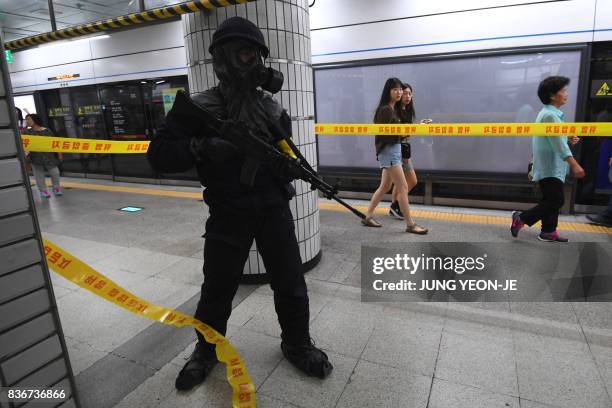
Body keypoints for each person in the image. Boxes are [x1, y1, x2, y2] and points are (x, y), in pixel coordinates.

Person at [146, 17, 333, 391]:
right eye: (242, 53)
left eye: (253, 54)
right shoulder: (198, 107)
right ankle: (206, 351)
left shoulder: (273, 111)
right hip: (228, 212)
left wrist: (287, 171)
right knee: (217, 289)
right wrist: (201, 148)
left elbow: (283, 154)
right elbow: (159, 155)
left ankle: (297, 343)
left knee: (291, 283)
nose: (248, 62)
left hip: (273, 209)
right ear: (222, 58)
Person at [510, 76, 584, 242]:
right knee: (557, 200)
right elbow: (558, 145)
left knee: (550, 199)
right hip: (549, 166)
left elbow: (555, 137)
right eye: (563, 91)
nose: (566, 94)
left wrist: (567, 136)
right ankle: (521, 218)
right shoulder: (550, 115)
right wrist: (574, 164)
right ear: (552, 95)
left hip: (550, 165)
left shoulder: (550, 114)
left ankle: (548, 231)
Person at [360, 78, 427, 234]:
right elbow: (388, 135)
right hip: (390, 152)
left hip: (392, 151)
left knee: (385, 187)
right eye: (395, 90)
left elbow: (395, 134)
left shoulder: (391, 109)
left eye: (400, 90)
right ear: (388, 91)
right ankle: (410, 225)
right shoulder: (386, 110)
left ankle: (367, 216)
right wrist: (416, 129)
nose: (399, 93)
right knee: (403, 187)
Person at [388, 83, 432, 220]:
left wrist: (419, 126)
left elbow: (407, 131)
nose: (407, 96)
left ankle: (395, 207)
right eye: (405, 93)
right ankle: (396, 205)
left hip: (404, 149)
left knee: (397, 183)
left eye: (409, 94)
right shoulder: (395, 111)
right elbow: (399, 133)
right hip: (397, 150)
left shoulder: (406, 110)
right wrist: (418, 127)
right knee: (411, 181)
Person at [25, 114, 63, 198]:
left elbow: (54, 142)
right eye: (26, 120)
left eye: (28, 119)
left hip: (49, 156)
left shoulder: (47, 131)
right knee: (39, 175)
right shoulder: (26, 132)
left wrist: (59, 153)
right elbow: (25, 146)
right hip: (35, 157)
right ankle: (43, 191)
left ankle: (56, 188)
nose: (27, 121)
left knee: (55, 172)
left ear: (35, 120)